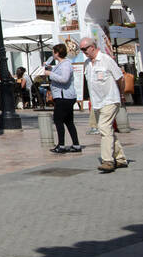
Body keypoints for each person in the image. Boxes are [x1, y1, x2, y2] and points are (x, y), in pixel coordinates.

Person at [81, 37, 128, 172]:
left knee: (103, 127)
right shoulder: (87, 64)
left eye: (85, 49)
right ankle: (120, 158)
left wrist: (121, 93)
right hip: (97, 102)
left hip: (110, 99)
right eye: (81, 49)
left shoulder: (106, 60)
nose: (83, 52)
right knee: (107, 130)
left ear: (92, 47)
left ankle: (107, 161)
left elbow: (120, 78)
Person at [48, 44, 82, 154]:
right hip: (64, 96)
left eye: (53, 52)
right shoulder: (62, 64)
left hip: (64, 97)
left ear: (57, 53)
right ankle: (76, 144)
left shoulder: (65, 64)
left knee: (58, 120)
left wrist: (50, 74)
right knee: (68, 121)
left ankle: (61, 145)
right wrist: (51, 70)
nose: (52, 54)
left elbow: (64, 79)